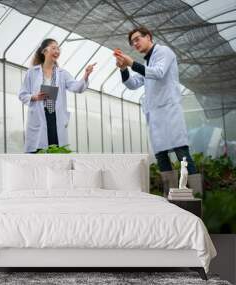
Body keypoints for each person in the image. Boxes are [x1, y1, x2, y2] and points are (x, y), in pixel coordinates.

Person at [114, 26, 202, 193]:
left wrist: (131, 62)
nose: (135, 44)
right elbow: (132, 84)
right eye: (132, 43)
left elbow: (159, 72)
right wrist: (123, 68)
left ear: (149, 37)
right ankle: (170, 194)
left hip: (169, 110)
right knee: (161, 156)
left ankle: (197, 195)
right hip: (155, 115)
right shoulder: (148, 61)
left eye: (137, 39)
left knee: (181, 153)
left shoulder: (164, 52)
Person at [19, 38, 95, 153]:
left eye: (58, 48)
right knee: (38, 151)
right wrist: (35, 97)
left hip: (55, 117)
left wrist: (86, 75)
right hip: (39, 116)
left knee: (56, 150)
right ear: (44, 51)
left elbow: (77, 87)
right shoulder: (32, 73)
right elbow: (22, 94)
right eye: (53, 48)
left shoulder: (62, 73)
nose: (57, 51)